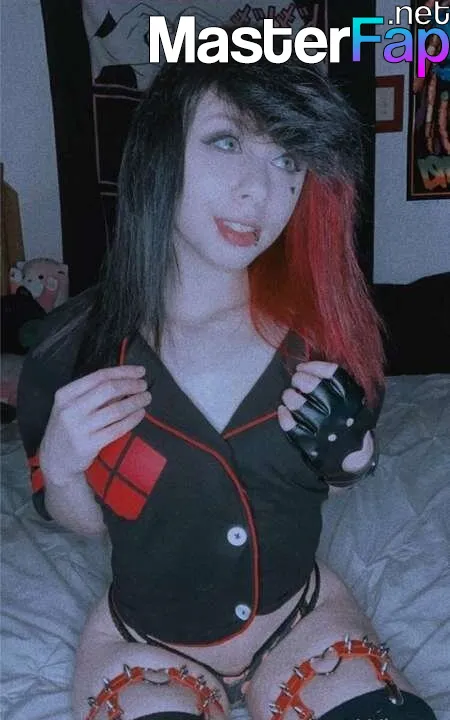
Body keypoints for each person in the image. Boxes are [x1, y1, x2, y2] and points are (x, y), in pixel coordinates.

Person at [17, 29, 438, 720]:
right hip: (147, 644)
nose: (258, 191)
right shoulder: (71, 350)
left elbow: (339, 471)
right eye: (226, 141)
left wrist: (354, 454)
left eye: (287, 158)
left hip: (304, 622)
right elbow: (87, 524)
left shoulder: (325, 332)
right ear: (160, 150)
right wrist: (62, 468)